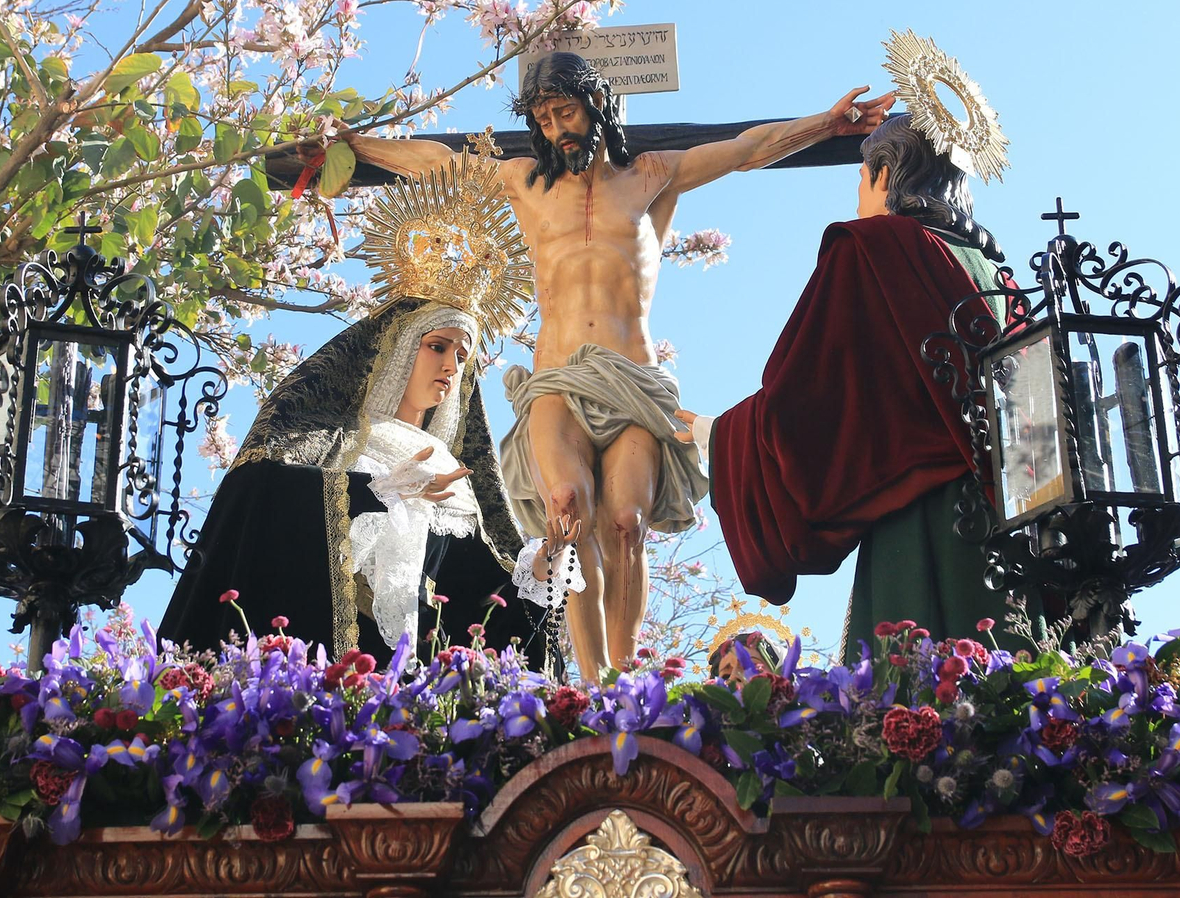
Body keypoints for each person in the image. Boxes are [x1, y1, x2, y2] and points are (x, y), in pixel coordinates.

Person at [338, 52, 893, 682]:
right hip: (558, 379)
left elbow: (745, 149)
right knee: (567, 512)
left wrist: (827, 123)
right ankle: (592, 679)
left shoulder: (651, 173)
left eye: (565, 112)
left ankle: (625, 678)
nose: (556, 129)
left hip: (633, 380)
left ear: (596, 104)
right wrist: (356, 147)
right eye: (544, 119)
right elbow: (438, 163)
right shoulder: (527, 182)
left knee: (626, 525)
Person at [160, 153, 556, 672]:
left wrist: (540, 575)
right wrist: (376, 491)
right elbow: (255, 498)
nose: (451, 366)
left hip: (413, 706)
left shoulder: (458, 487)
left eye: (463, 356)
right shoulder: (332, 440)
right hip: (318, 682)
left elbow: (482, 616)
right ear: (396, 351)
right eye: (437, 346)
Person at [677, 113, 1038, 659]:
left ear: (886, 174)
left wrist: (718, 436)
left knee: (921, 705)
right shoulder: (999, 278)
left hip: (924, 527)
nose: (858, 196)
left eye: (862, 178)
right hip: (1017, 532)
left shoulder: (872, 248)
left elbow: (811, 398)